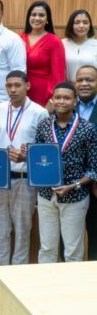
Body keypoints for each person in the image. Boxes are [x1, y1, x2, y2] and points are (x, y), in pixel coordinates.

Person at [0, 71, 48, 295]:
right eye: (9, 86)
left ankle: (17, 280)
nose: (13, 90)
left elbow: (44, 149)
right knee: (0, 230)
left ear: (27, 85)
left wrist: (26, 156)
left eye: (17, 85)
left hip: (25, 179)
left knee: (22, 230)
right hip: (0, 179)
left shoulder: (40, 112)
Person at [33, 81, 97, 263]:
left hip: (74, 197)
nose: (61, 101)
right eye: (58, 97)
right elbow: (37, 157)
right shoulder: (44, 125)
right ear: (52, 100)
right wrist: (25, 156)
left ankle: (72, 291)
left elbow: (94, 169)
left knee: (72, 251)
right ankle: (46, 289)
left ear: (75, 101)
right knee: (46, 248)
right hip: (46, 195)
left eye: (66, 98)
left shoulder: (88, 129)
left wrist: (73, 186)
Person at [20, 1, 66, 108]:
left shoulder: (54, 41)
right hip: (22, 91)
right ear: (28, 17)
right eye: (33, 14)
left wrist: (52, 100)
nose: (37, 18)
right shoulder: (20, 38)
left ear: (47, 19)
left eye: (41, 15)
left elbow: (58, 75)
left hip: (44, 94)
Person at [75, 66, 97, 260]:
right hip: (71, 183)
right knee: (68, 238)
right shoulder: (65, 104)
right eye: (80, 80)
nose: (84, 84)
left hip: (96, 184)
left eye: (89, 80)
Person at [62, 10, 97, 82]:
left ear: (90, 26)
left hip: (91, 89)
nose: (81, 26)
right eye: (77, 22)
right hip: (68, 89)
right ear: (71, 25)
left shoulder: (95, 44)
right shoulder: (62, 44)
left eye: (85, 22)